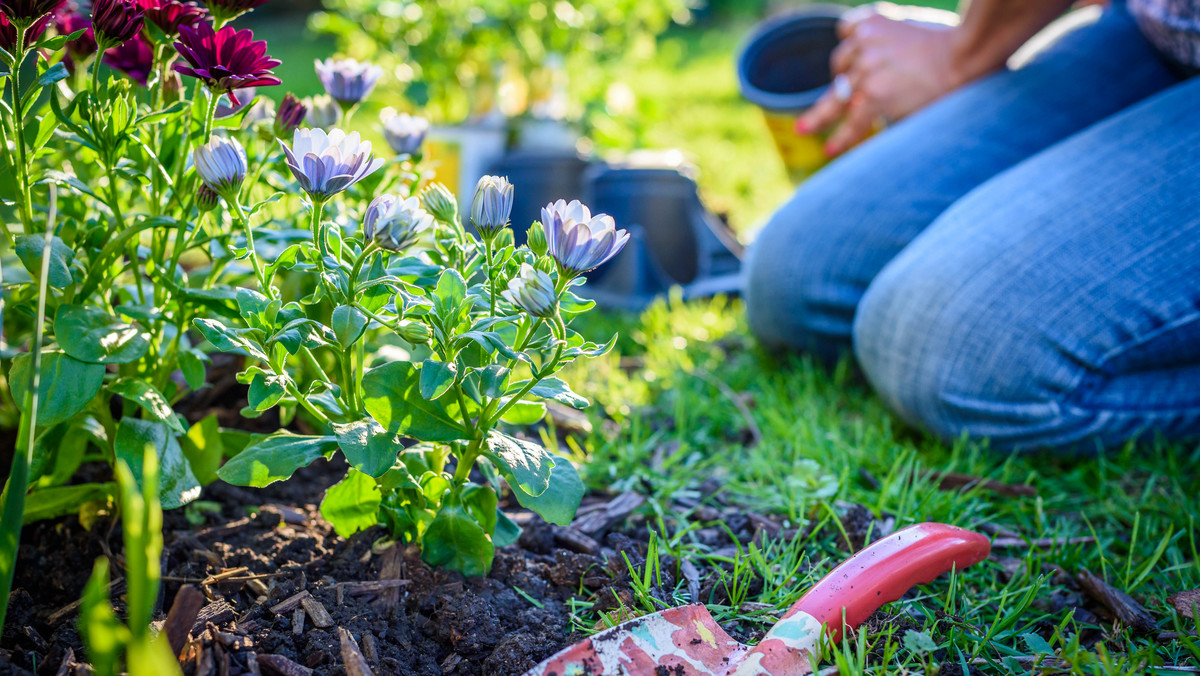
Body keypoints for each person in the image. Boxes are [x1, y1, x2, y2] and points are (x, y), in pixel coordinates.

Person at [744, 0, 1200, 452]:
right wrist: (961, 53)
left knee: (954, 354)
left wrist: (962, 55)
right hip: (1158, 33)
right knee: (795, 272)